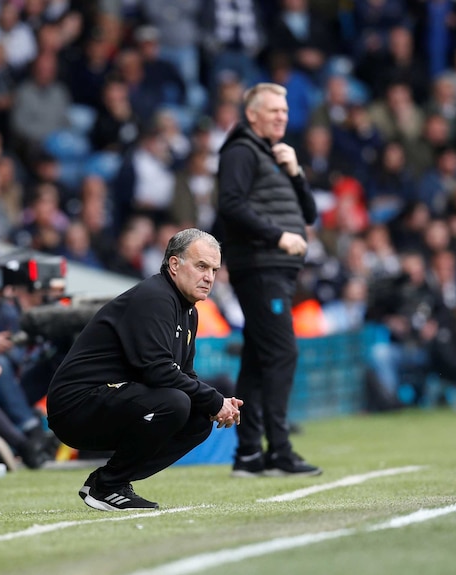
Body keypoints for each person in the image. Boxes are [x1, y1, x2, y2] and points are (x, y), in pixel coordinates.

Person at [47, 228, 243, 511]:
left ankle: (110, 482)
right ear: (174, 265)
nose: (209, 277)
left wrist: (213, 404)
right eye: (201, 266)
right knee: (175, 402)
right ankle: (108, 485)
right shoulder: (155, 297)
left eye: (214, 269)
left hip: (113, 401)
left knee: (199, 417)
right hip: (76, 405)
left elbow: (185, 374)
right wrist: (215, 399)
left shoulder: (188, 310)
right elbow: (158, 371)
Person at [216, 82, 322, 478]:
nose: (282, 116)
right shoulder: (241, 150)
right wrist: (278, 236)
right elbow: (230, 204)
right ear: (252, 115)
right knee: (282, 354)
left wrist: (296, 172)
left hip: (274, 269)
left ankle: (247, 455)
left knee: (259, 359)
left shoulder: (275, 155)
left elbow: (309, 214)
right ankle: (278, 449)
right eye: (273, 110)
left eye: (285, 110)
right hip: (260, 267)